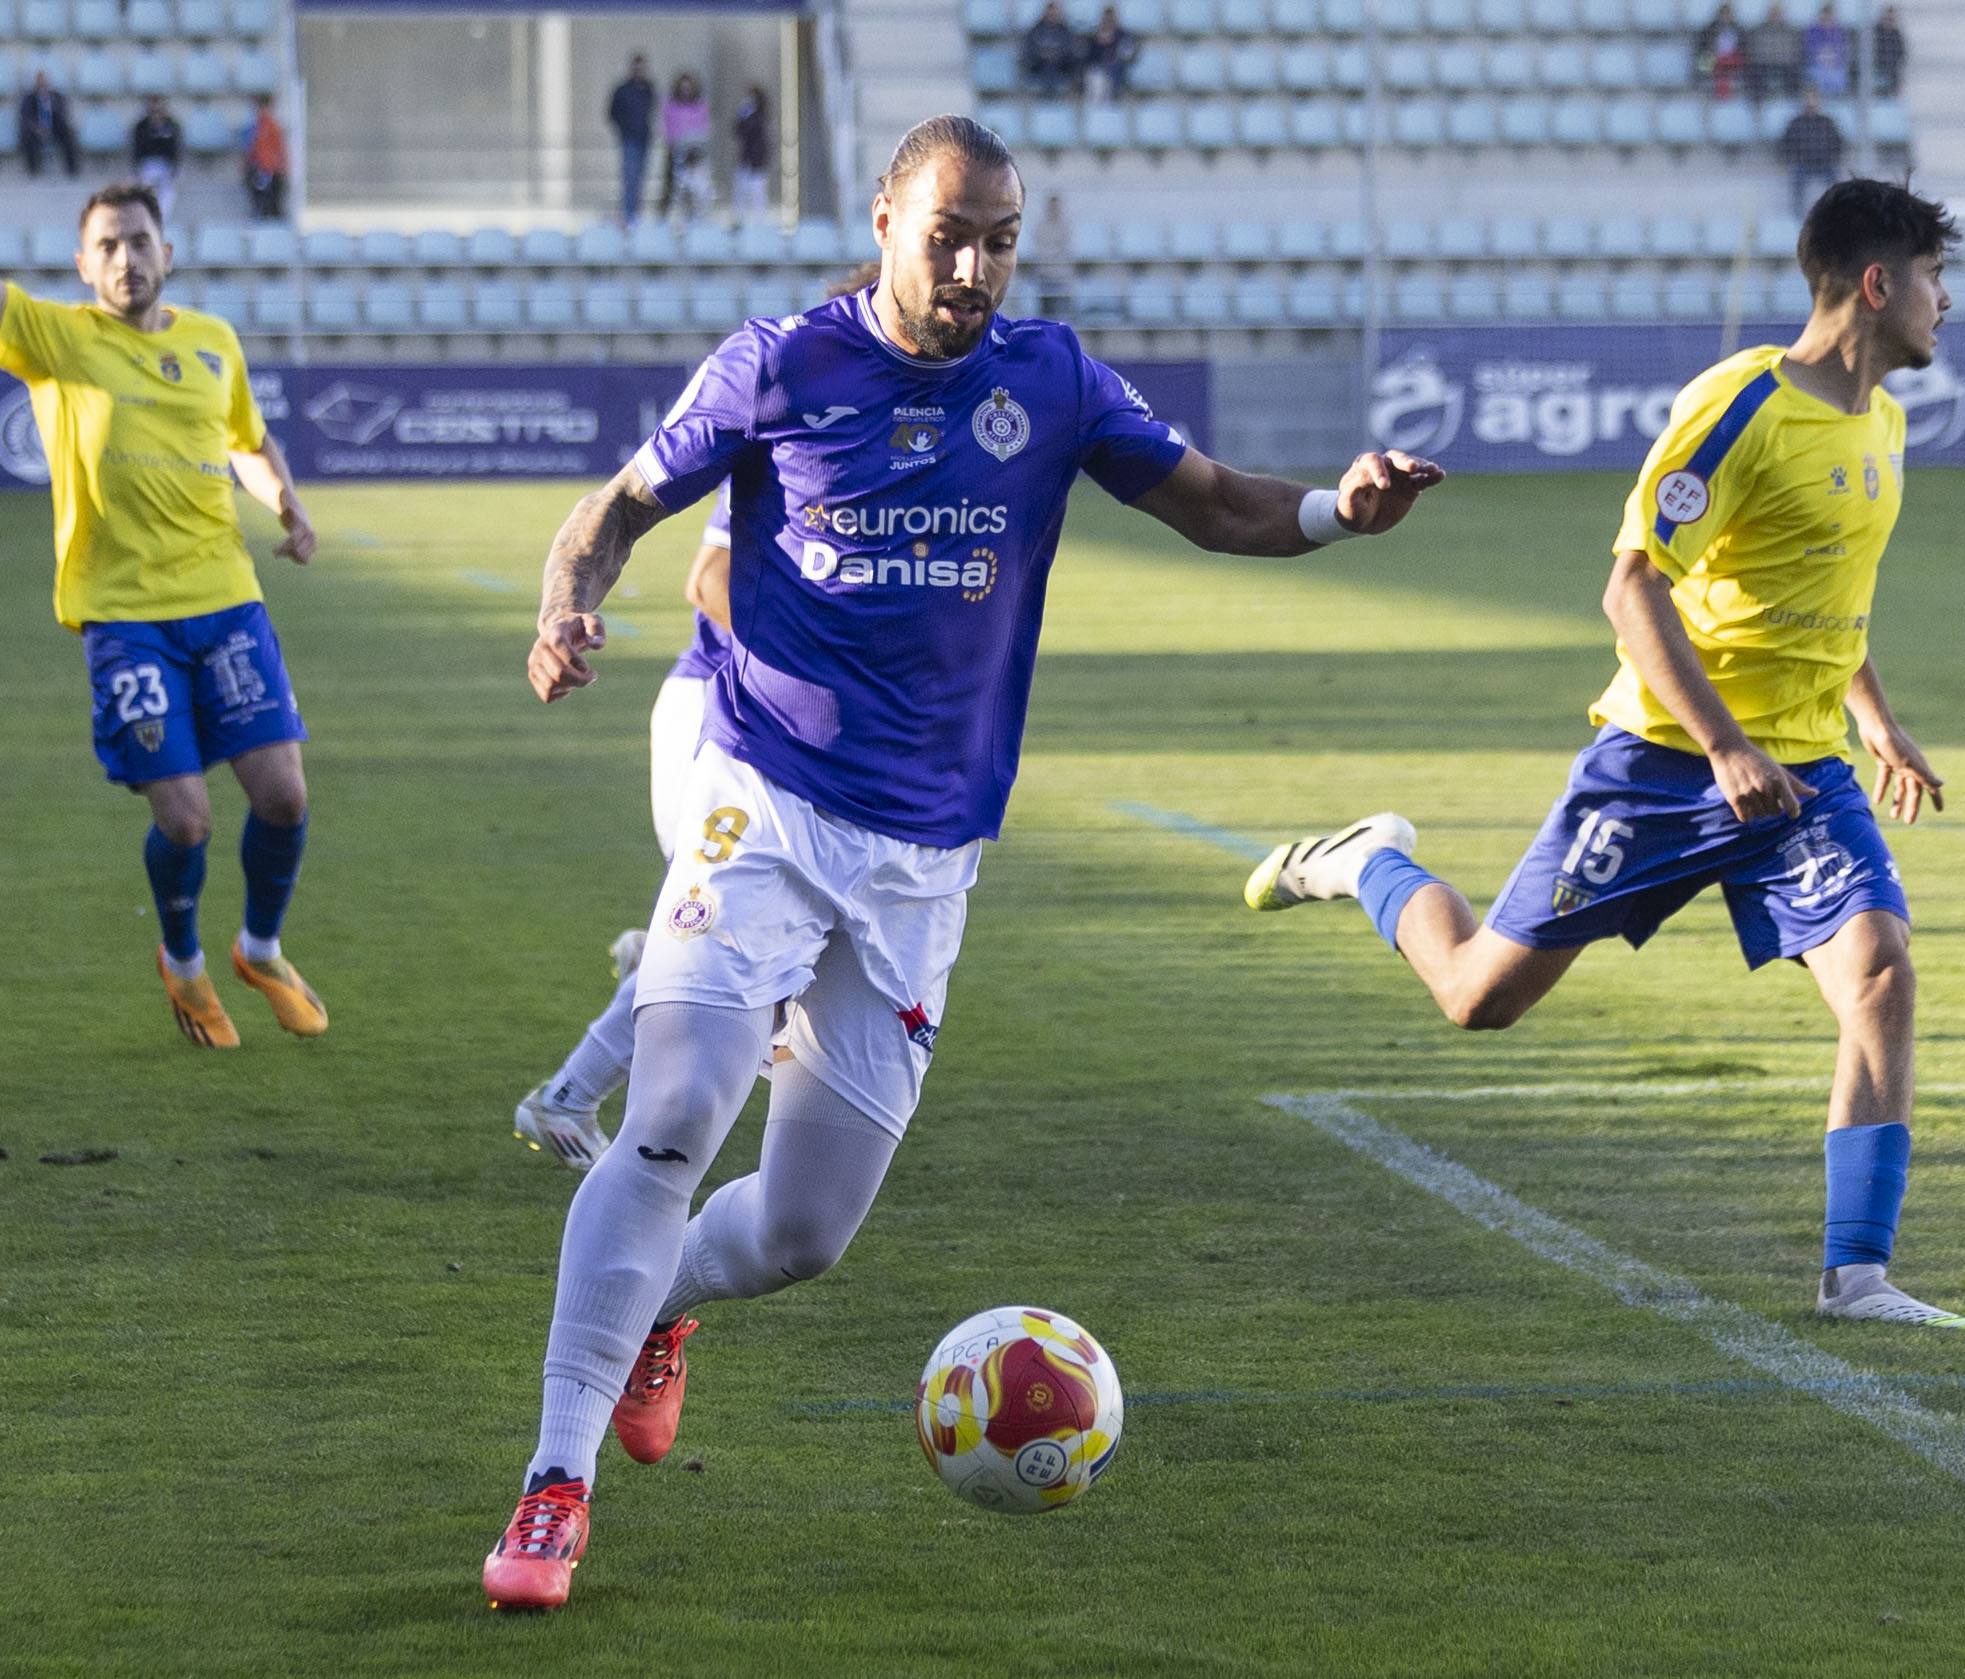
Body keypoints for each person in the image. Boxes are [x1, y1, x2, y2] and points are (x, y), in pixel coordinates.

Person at [480, 115, 1443, 1611]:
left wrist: (1336, 508)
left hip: (925, 858)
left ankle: (655, 1309)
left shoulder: (1048, 379)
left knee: (802, 1230)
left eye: (1000, 238)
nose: (977, 267)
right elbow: (614, 510)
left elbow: (1214, 502)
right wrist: (564, 607)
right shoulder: (782, 362)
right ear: (884, 221)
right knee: (672, 1109)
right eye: (950, 236)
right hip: (766, 799)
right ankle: (553, 1482)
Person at [1244, 179, 1965, 1335]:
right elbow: (1630, 587)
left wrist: (1871, 715)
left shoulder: (1881, 420)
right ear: (1878, 285)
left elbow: (1818, 594)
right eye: (1936, 279)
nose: (1946, 303)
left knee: (1879, 966)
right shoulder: (1738, 405)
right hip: (1666, 763)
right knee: (1479, 997)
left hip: (1801, 774)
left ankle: (1858, 1275)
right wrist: (1722, 744)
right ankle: (1367, 860)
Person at [513, 264, 887, 1172]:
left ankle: (662, 965)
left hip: (770, 734)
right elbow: (708, 581)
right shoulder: (802, 425)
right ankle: (563, 1097)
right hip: (714, 713)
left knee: (758, 938)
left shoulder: (890, 453)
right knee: (737, 939)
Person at [0, 184, 326, 1050]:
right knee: (186, 820)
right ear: (82, 264)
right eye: (106, 245)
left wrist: (285, 504)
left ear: (167, 254)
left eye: (139, 241)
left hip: (226, 601)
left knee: (285, 796)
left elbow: (246, 442)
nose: (124, 259)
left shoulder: (213, 343)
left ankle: (259, 948)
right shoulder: (56, 339)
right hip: (124, 617)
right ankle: (182, 961)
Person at [607, 54, 656, 225]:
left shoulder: (648, 89)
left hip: (643, 138)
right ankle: (629, 214)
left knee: (640, 177)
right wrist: (624, 127)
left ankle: (636, 212)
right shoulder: (622, 90)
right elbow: (612, 113)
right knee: (630, 176)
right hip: (629, 138)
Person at [1780, 89, 1844, 210]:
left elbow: (1838, 141)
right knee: (1797, 182)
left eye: (1814, 99)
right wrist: (1791, 158)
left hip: (1825, 163)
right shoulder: (1796, 122)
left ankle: (1836, 210)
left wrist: (1833, 156)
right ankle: (1797, 214)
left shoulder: (1827, 122)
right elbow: (1785, 143)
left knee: (1836, 185)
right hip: (1803, 164)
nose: (1811, 102)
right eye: (1808, 99)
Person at [658, 73, 710, 219]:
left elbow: (704, 126)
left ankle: (697, 215)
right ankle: (671, 215)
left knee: (697, 186)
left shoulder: (700, 105)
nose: (686, 90)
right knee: (675, 186)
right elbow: (665, 126)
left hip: (695, 152)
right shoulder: (671, 104)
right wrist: (671, 143)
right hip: (676, 151)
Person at [131, 97, 184, 221]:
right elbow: (139, 148)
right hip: (147, 163)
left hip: (166, 165)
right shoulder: (142, 126)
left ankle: (162, 216)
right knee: (145, 186)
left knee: (168, 188)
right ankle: (148, 214)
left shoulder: (171, 126)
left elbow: (174, 148)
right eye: (153, 110)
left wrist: (174, 167)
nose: (156, 113)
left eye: (159, 110)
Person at [18, 73, 79, 177]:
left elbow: (63, 114)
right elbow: (26, 117)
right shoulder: (29, 98)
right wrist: (37, 128)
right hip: (35, 130)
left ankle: (72, 171)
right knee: (26, 136)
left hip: (55, 129)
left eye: (44, 80)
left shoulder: (57, 96)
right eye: (39, 81)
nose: (42, 83)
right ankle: (32, 171)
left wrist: (50, 105)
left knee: (69, 134)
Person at [1020, 1, 1082, 96]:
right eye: (1049, 12)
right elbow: (1028, 50)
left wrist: (1056, 55)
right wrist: (1042, 55)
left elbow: (1070, 50)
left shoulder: (1065, 31)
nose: (1051, 15)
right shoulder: (1035, 30)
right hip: (1039, 67)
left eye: (1054, 13)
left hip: (1060, 67)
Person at [243, 94, 288, 220]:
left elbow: (278, 149)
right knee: (260, 201)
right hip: (261, 168)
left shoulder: (271, 126)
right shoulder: (257, 126)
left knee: (272, 203)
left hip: (270, 169)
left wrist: (278, 167)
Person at [1085, 5, 1140, 101]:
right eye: (1106, 18)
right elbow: (1090, 57)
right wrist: (1100, 43)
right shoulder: (1094, 37)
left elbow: (1130, 54)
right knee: (1097, 79)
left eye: (1111, 18)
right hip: (1098, 71)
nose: (1109, 21)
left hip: (1117, 71)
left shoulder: (1123, 36)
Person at [1747, 5, 1802, 100]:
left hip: (1784, 63)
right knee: (1754, 72)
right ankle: (1759, 101)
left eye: (1777, 14)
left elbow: (1794, 51)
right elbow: (1756, 50)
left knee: (1794, 72)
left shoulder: (1790, 31)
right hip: (1765, 63)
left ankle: (1792, 99)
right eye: (1773, 14)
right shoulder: (1760, 30)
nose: (1775, 17)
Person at [731, 85, 770, 219]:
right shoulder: (744, 113)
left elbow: (753, 130)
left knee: (757, 191)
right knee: (741, 189)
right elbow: (737, 131)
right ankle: (739, 217)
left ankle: (758, 220)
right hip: (745, 157)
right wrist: (742, 114)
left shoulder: (761, 115)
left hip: (757, 159)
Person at [1695, 3, 1747, 99]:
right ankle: (1706, 81)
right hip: (1715, 57)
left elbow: (1744, 46)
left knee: (1735, 63)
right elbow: (1702, 46)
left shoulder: (1738, 29)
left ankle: (1725, 89)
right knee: (1705, 62)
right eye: (1724, 14)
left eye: (1728, 14)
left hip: (1732, 58)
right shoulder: (1709, 28)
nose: (1726, 17)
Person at [1804, 2, 1851, 97]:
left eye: (1828, 18)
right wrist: (1820, 56)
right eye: (1824, 18)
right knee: (1818, 76)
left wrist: (1833, 58)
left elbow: (1843, 50)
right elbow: (1808, 49)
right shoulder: (1812, 31)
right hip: (1817, 65)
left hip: (1835, 65)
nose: (1826, 21)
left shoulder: (1839, 31)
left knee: (1839, 77)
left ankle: (1837, 99)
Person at [1871, 6, 1907, 95]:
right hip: (1878, 65)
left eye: (1891, 19)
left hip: (1891, 67)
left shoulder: (1896, 33)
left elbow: (1901, 52)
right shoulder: (1876, 32)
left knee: (1895, 76)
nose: (1889, 21)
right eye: (1887, 18)